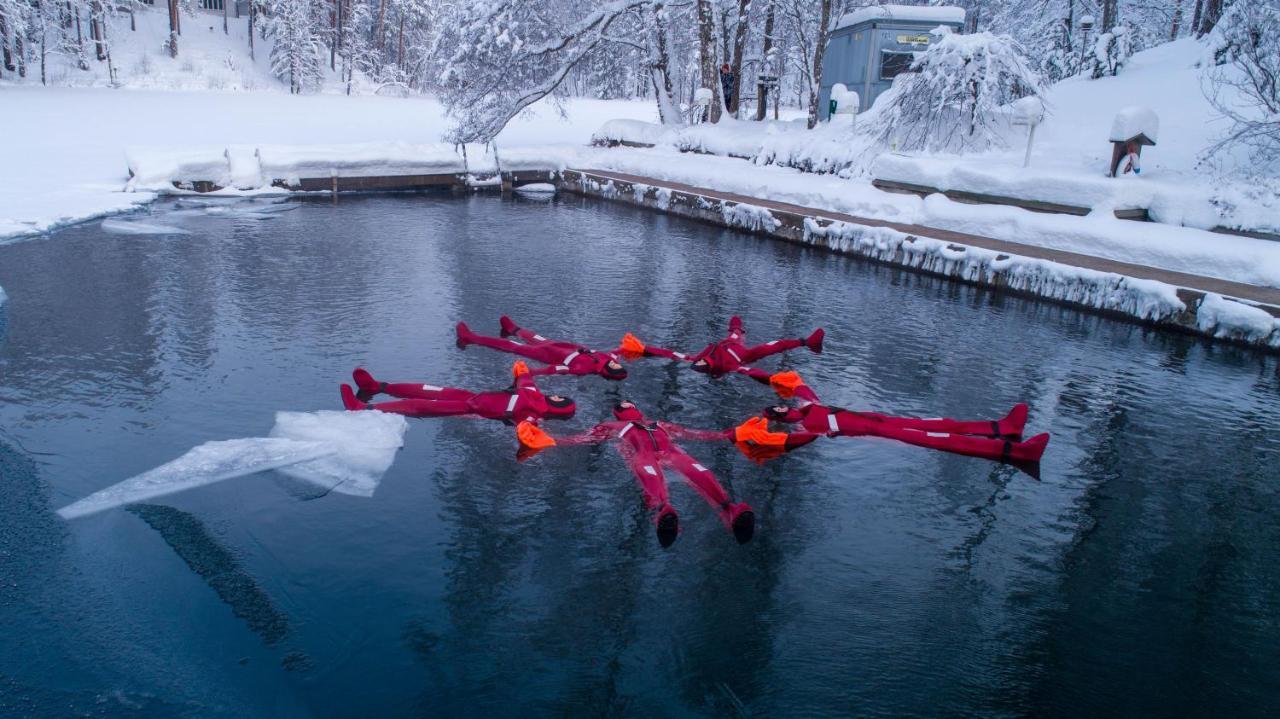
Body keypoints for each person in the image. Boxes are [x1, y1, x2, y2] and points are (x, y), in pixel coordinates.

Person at [517, 401, 799, 547]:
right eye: (625, 407)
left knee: (702, 473)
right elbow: (584, 438)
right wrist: (552, 441)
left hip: (670, 453)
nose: (629, 409)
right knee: (654, 482)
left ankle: (730, 510)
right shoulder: (613, 427)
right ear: (621, 412)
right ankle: (664, 513)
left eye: (630, 406)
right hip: (645, 455)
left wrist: (729, 434)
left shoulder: (657, 424)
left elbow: (693, 434)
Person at [752, 371, 1049, 474]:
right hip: (879, 432)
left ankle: (1004, 428)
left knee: (941, 423)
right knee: (939, 439)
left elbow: (800, 386)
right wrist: (760, 427)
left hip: (881, 419)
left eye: (779, 404)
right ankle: (1017, 453)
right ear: (779, 417)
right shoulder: (803, 428)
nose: (781, 407)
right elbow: (787, 442)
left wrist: (764, 376)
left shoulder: (807, 406)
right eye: (777, 410)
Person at [340, 362, 576, 425]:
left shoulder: (531, 414)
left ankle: (362, 408)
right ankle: (378, 386)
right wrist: (524, 372)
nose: (556, 395)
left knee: (419, 405)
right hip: (470, 396)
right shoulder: (533, 395)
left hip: (469, 407)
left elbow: (526, 432)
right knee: (429, 389)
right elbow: (524, 377)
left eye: (559, 398)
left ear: (557, 405)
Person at [455, 316, 641, 381]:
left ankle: (470, 338)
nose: (616, 364)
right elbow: (612, 353)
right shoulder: (609, 360)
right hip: (562, 346)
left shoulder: (583, 369)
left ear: (609, 373)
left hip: (548, 355)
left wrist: (531, 373)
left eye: (616, 368)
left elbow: (555, 369)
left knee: (512, 347)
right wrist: (623, 349)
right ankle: (513, 329)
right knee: (535, 336)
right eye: (619, 366)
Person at [632, 316, 824, 378]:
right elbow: (751, 371)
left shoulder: (695, 358)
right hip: (745, 355)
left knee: (736, 330)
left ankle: (738, 329)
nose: (700, 360)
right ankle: (807, 342)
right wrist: (772, 380)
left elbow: (668, 353)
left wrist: (643, 349)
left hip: (731, 343)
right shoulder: (728, 367)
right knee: (774, 345)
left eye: (698, 362)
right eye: (701, 363)